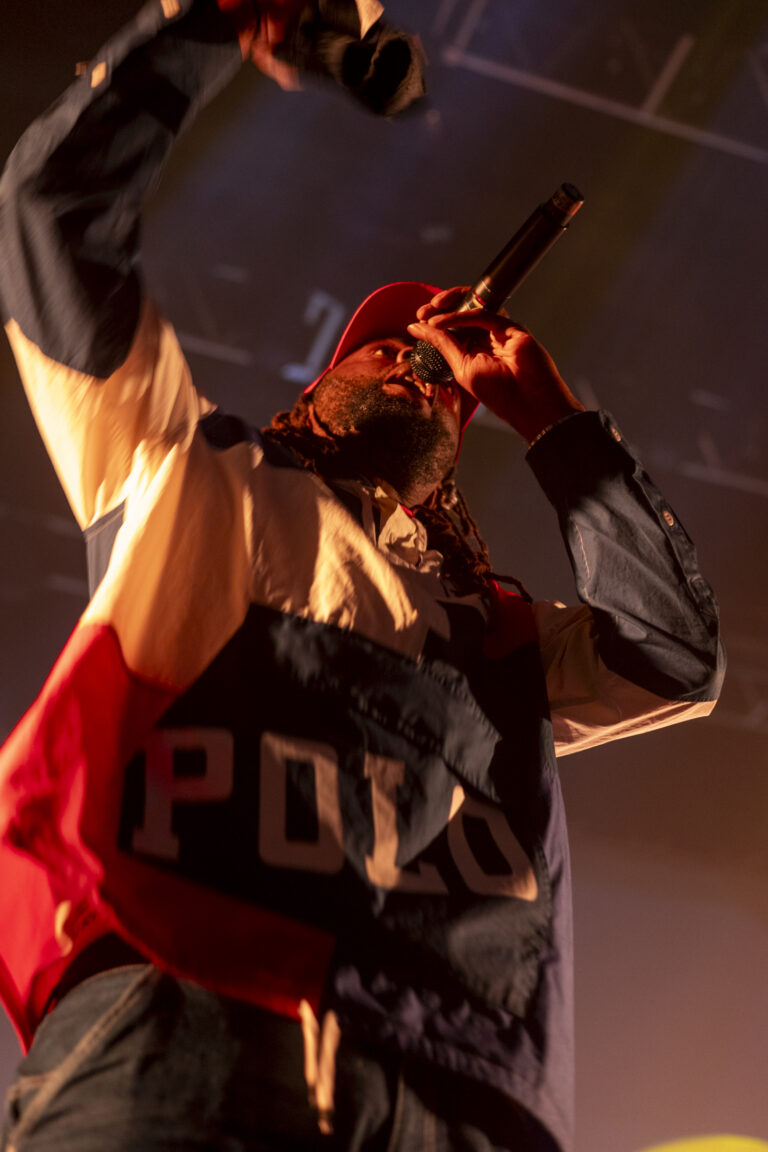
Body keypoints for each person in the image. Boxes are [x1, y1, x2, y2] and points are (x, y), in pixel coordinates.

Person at [0, 1, 724, 1150]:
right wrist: (207, 24)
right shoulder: (187, 475)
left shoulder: (498, 633)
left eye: (443, 375)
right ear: (312, 392)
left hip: (461, 1093)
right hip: (188, 1039)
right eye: (388, 348)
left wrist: (554, 422)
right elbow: (51, 209)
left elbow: (676, 658)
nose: (422, 366)